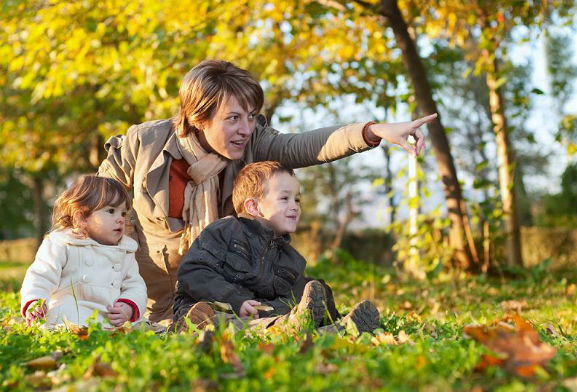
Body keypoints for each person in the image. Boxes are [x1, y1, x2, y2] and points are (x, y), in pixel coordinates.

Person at [98, 59, 436, 326]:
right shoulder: (144, 145)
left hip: (228, 290)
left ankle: (307, 321)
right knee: (197, 325)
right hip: (150, 301)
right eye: (233, 118)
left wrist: (372, 131)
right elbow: (89, 211)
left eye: (251, 116)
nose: (245, 129)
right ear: (199, 117)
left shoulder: (252, 142)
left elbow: (306, 145)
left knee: (253, 316)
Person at [174, 161, 380, 334]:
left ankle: (335, 328)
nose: (295, 206)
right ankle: (288, 327)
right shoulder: (226, 230)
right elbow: (193, 271)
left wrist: (321, 299)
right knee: (219, 321)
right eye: (285, 198)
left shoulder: (290, 258)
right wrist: (235, 300)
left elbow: (301, 297)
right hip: (208, 310)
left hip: (257, 314)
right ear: (254, 207)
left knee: (309, 290)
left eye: (297, 199)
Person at [20, 175, 147, 329]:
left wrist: (128, 306)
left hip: (108, 319)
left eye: (123, 213)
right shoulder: (62, 243)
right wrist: (35, 301)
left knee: (143, 328)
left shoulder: (125, 251)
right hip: (68, 317)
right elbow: (41, 276)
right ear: (82, 218)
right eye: (111, 211)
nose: (120, 219)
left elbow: (135, 286)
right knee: (65, 324)